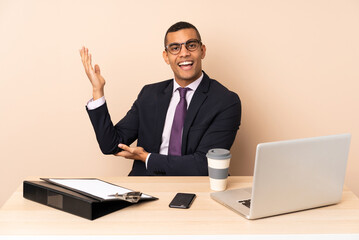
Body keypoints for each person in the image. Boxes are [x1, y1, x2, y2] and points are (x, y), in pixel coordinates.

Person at [80, 21, 241, 176]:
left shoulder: (225, 101)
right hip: (146, 186)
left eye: (191, 45)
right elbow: (111, 145)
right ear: (166, 56)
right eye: (175, 48)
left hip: (196, 188)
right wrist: (97, 90)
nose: (184, 53)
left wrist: (147, 158)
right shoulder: (149, 94)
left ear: (202, 50)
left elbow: (204, 164)